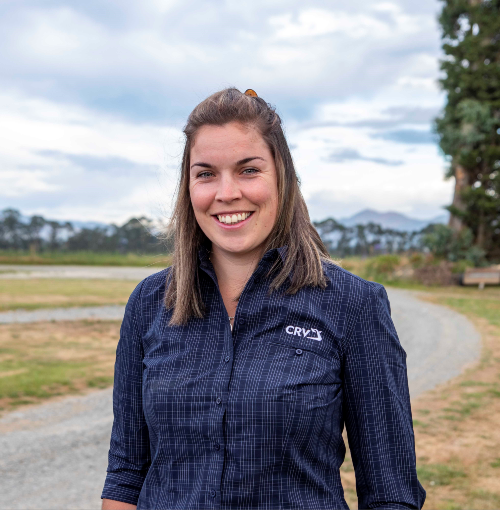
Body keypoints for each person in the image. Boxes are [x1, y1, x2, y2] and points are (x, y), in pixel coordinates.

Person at [101, 88, 426, 510]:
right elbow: (126, 474)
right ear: (189, 187)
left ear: (281, 177)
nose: (227, 192)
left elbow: (391, 493)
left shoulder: (353, 305)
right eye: (205, 174)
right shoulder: (149, 303)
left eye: (248, 170)